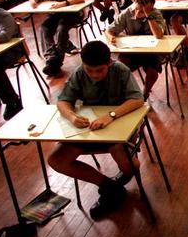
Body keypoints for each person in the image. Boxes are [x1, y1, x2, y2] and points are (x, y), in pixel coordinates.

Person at [48, 41, 144, 220]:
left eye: (99, 70)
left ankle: (114, 186)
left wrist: (110, 115)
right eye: (89, 70)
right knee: (57, 160)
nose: (94, 75)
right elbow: (63, 101)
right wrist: (72, 117)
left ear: (109, 63)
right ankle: (109, 187)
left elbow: (137, 100)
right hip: (91, 128)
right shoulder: (79, 72)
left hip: (119, 127)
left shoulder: (121, 70)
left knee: (130, 165)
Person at [104, 0, 165, 100]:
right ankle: (124, 93)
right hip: (133, 49)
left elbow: (159, 35)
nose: (137, 13)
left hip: (152, 50)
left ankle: (145, 92)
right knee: (120, 66)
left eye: (141, 11)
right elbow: (109, 30)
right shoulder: (128, 12)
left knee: (152, 70)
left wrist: (148, 16)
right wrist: (111, 37)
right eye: (136, 9)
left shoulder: (156, 14)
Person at [30, 0, 85, 77]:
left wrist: (64, 3)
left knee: (61, 29)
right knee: (44, 27)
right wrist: (33, 1)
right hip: (55, 14)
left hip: (71, 14)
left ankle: (55, 62)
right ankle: (51, 58)